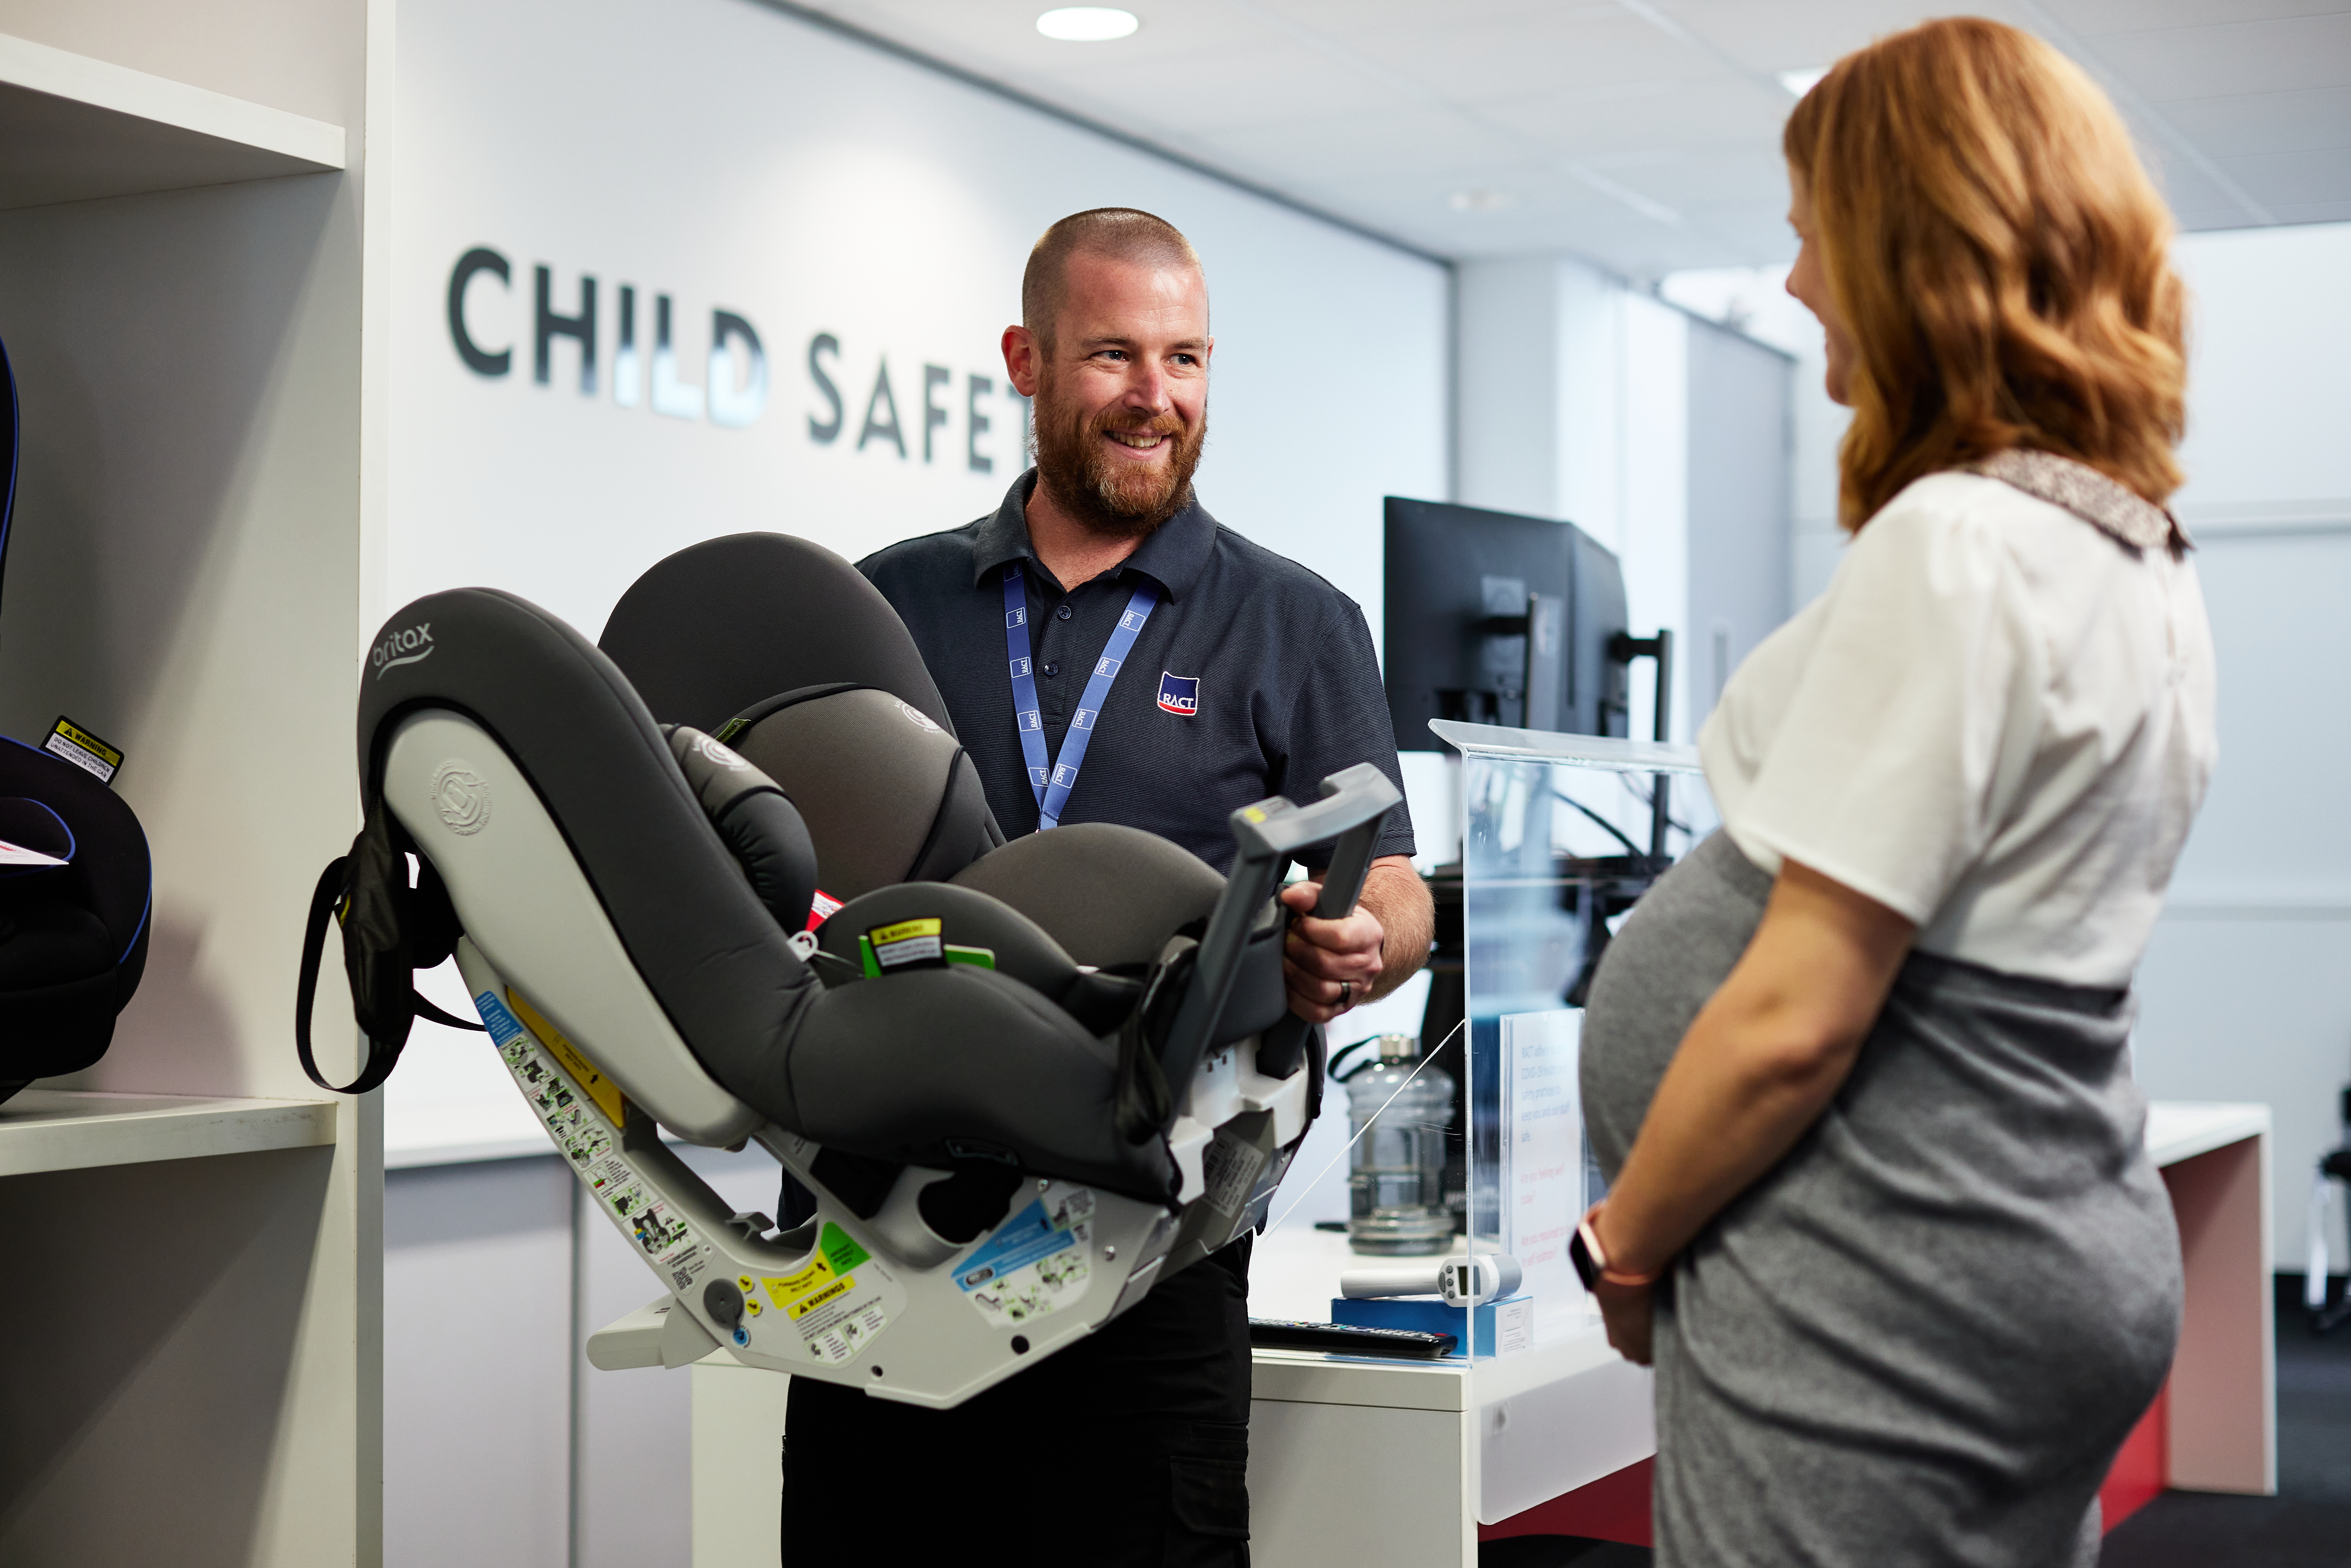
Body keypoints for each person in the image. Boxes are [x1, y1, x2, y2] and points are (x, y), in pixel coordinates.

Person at [1571, 19, 2216, 1567]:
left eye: (1813, 239)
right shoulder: (2131, 545)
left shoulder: (1962, 544)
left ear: (1916, 246)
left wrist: (1629, 1241)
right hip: (2010, 1249)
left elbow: (1795, 1016)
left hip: (1882, 1282)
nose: (1795, 283)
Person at [779, 207, 1434, 1565]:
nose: (1157, 398)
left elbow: (1396, 884)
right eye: (1116, 356)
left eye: (1187, 360)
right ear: (1026, 359)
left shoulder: (1293, 621)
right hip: (882, 1225)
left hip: (1157, 1244)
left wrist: (1363, 942)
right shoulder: (883, 606)